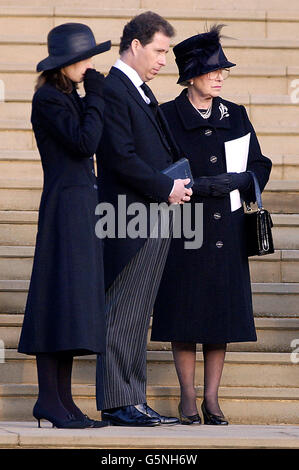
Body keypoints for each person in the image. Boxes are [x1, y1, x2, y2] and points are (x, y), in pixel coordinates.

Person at [151, 25, 272, 425]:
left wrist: (244, 180)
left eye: (224, 70)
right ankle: (187, 399)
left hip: (227, 231)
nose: (221, 76)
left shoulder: (235, 114)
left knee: (220, 317)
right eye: (213, 70)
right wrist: (195, 186)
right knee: (185, 316)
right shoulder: (166, 115)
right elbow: (155, 170)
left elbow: (259, 162)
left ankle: (212, 400)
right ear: (190, 76)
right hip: (185, 228)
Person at [95, 11, 192, 427]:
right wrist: (165, 187)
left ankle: (132, 398)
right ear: (135, 45)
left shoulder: (137, 88)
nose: (164, 60)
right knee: (122, 313)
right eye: (160, 50)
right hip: (129, 218)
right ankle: (119, 403)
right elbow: (120, 158)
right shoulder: (114, 88)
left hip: (152, 215)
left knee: (136, 314)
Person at [18, 23, 111, 428]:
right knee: (57, 299)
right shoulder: (49, 100)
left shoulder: (69, 96)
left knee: (72, 304)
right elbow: (83, 143)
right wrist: (96, 98)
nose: (90, 65)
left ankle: (64, 401)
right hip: (63, 207)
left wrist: (91, 98)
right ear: (66, 63)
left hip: (81, 204)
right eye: (84, 58)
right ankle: (49, 400)